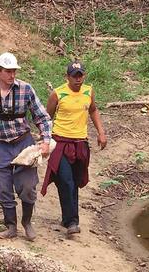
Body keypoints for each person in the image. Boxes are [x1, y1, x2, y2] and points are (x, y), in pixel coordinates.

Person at [0, 52, 52, 241]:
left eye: (14, 71)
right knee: (3, 187)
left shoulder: (25, 89)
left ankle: (27, 221)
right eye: (8, 71)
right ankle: (10, 225)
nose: (12, 75)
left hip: (23, 142)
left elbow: (41, 116)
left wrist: (46, 141)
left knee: (28, 185)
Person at [41, 60, 107, 238]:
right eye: (74, 76)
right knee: (66, 180)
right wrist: (45, 140)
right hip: (60, 142)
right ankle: (72, 222)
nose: (78, 79)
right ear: (67, 77)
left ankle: (66, 218)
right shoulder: (58, 94)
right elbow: (47, 117)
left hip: (80, 143)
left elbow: (93, 110)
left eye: (81, 75)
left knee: (75, 181)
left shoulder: (88, 92)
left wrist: (101, 132)